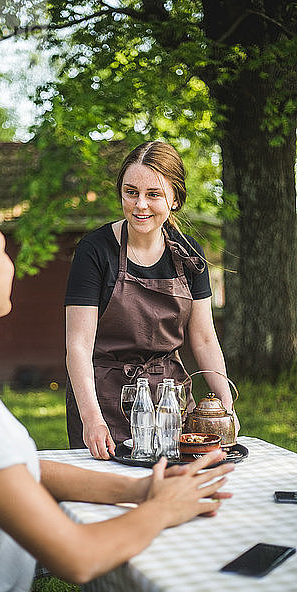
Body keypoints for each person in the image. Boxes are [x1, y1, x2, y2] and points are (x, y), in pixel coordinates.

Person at [0, 159, 234, 592]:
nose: (11, 264)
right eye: (3, 250)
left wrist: (140, 487)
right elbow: (78, 558)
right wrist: (163, 508)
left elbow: (16, 468)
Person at [65, 141, 239, 459]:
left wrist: (225, 405)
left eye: (153, 194)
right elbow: (78, 345)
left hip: (171, 401)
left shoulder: (190, 255)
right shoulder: (95, 251)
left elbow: (203, 338)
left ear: (175, 199)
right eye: (131, 192)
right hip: (104, 401)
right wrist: (92, 420)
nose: (140, 205)